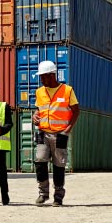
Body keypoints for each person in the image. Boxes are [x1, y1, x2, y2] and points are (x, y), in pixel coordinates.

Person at [31, 60, 80, 207]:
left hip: (60, 134)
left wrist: (67, 130)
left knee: (59, 166)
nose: (41, 79)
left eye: (43, 76)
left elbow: (76, 111)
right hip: (42, 133)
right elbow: (38, 109)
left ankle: (58, 196)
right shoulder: (39, 92)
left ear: (52, 75)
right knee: (40, 162)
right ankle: (42, 193)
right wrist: (35, 116)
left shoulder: (67, 90)